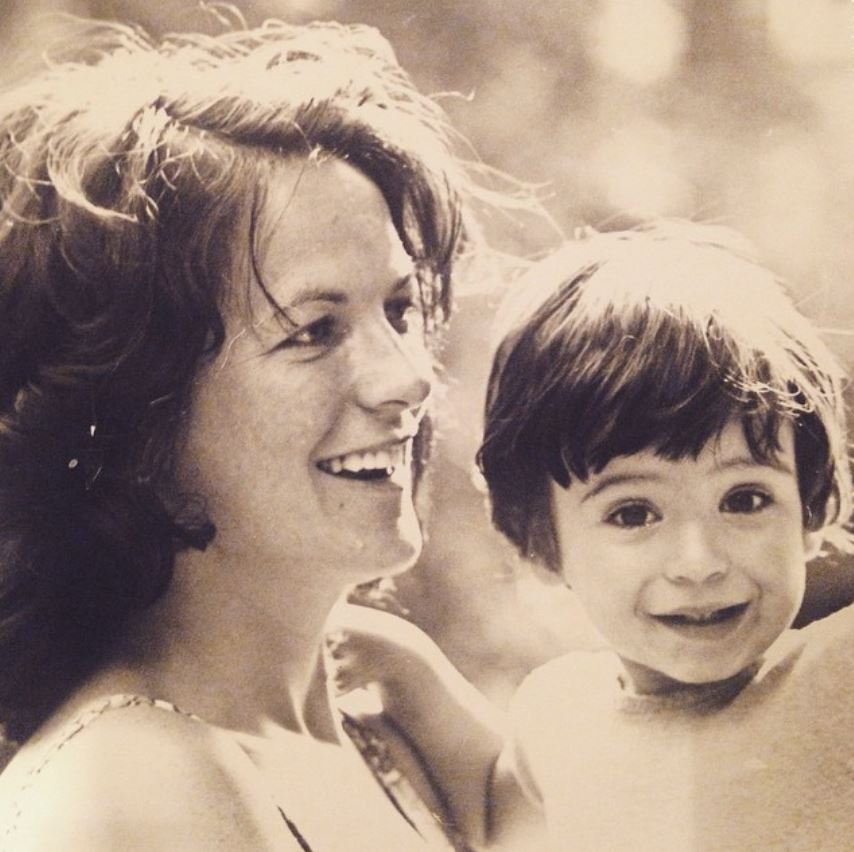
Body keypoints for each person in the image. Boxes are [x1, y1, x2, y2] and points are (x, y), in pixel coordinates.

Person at [0, 16, 493, 850]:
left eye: (400, 309)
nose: (408, 378)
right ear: (139, 414)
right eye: (314, 331)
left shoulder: (395, 733)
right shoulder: (137, 786)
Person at [334, 221, 854, 851]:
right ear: (539, 543)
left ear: (813, 507)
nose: (698, 562)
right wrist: (407, 669)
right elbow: (496, 820)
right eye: (634, 514)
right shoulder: (560, 717)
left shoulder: (836, 679)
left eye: (744, 500)